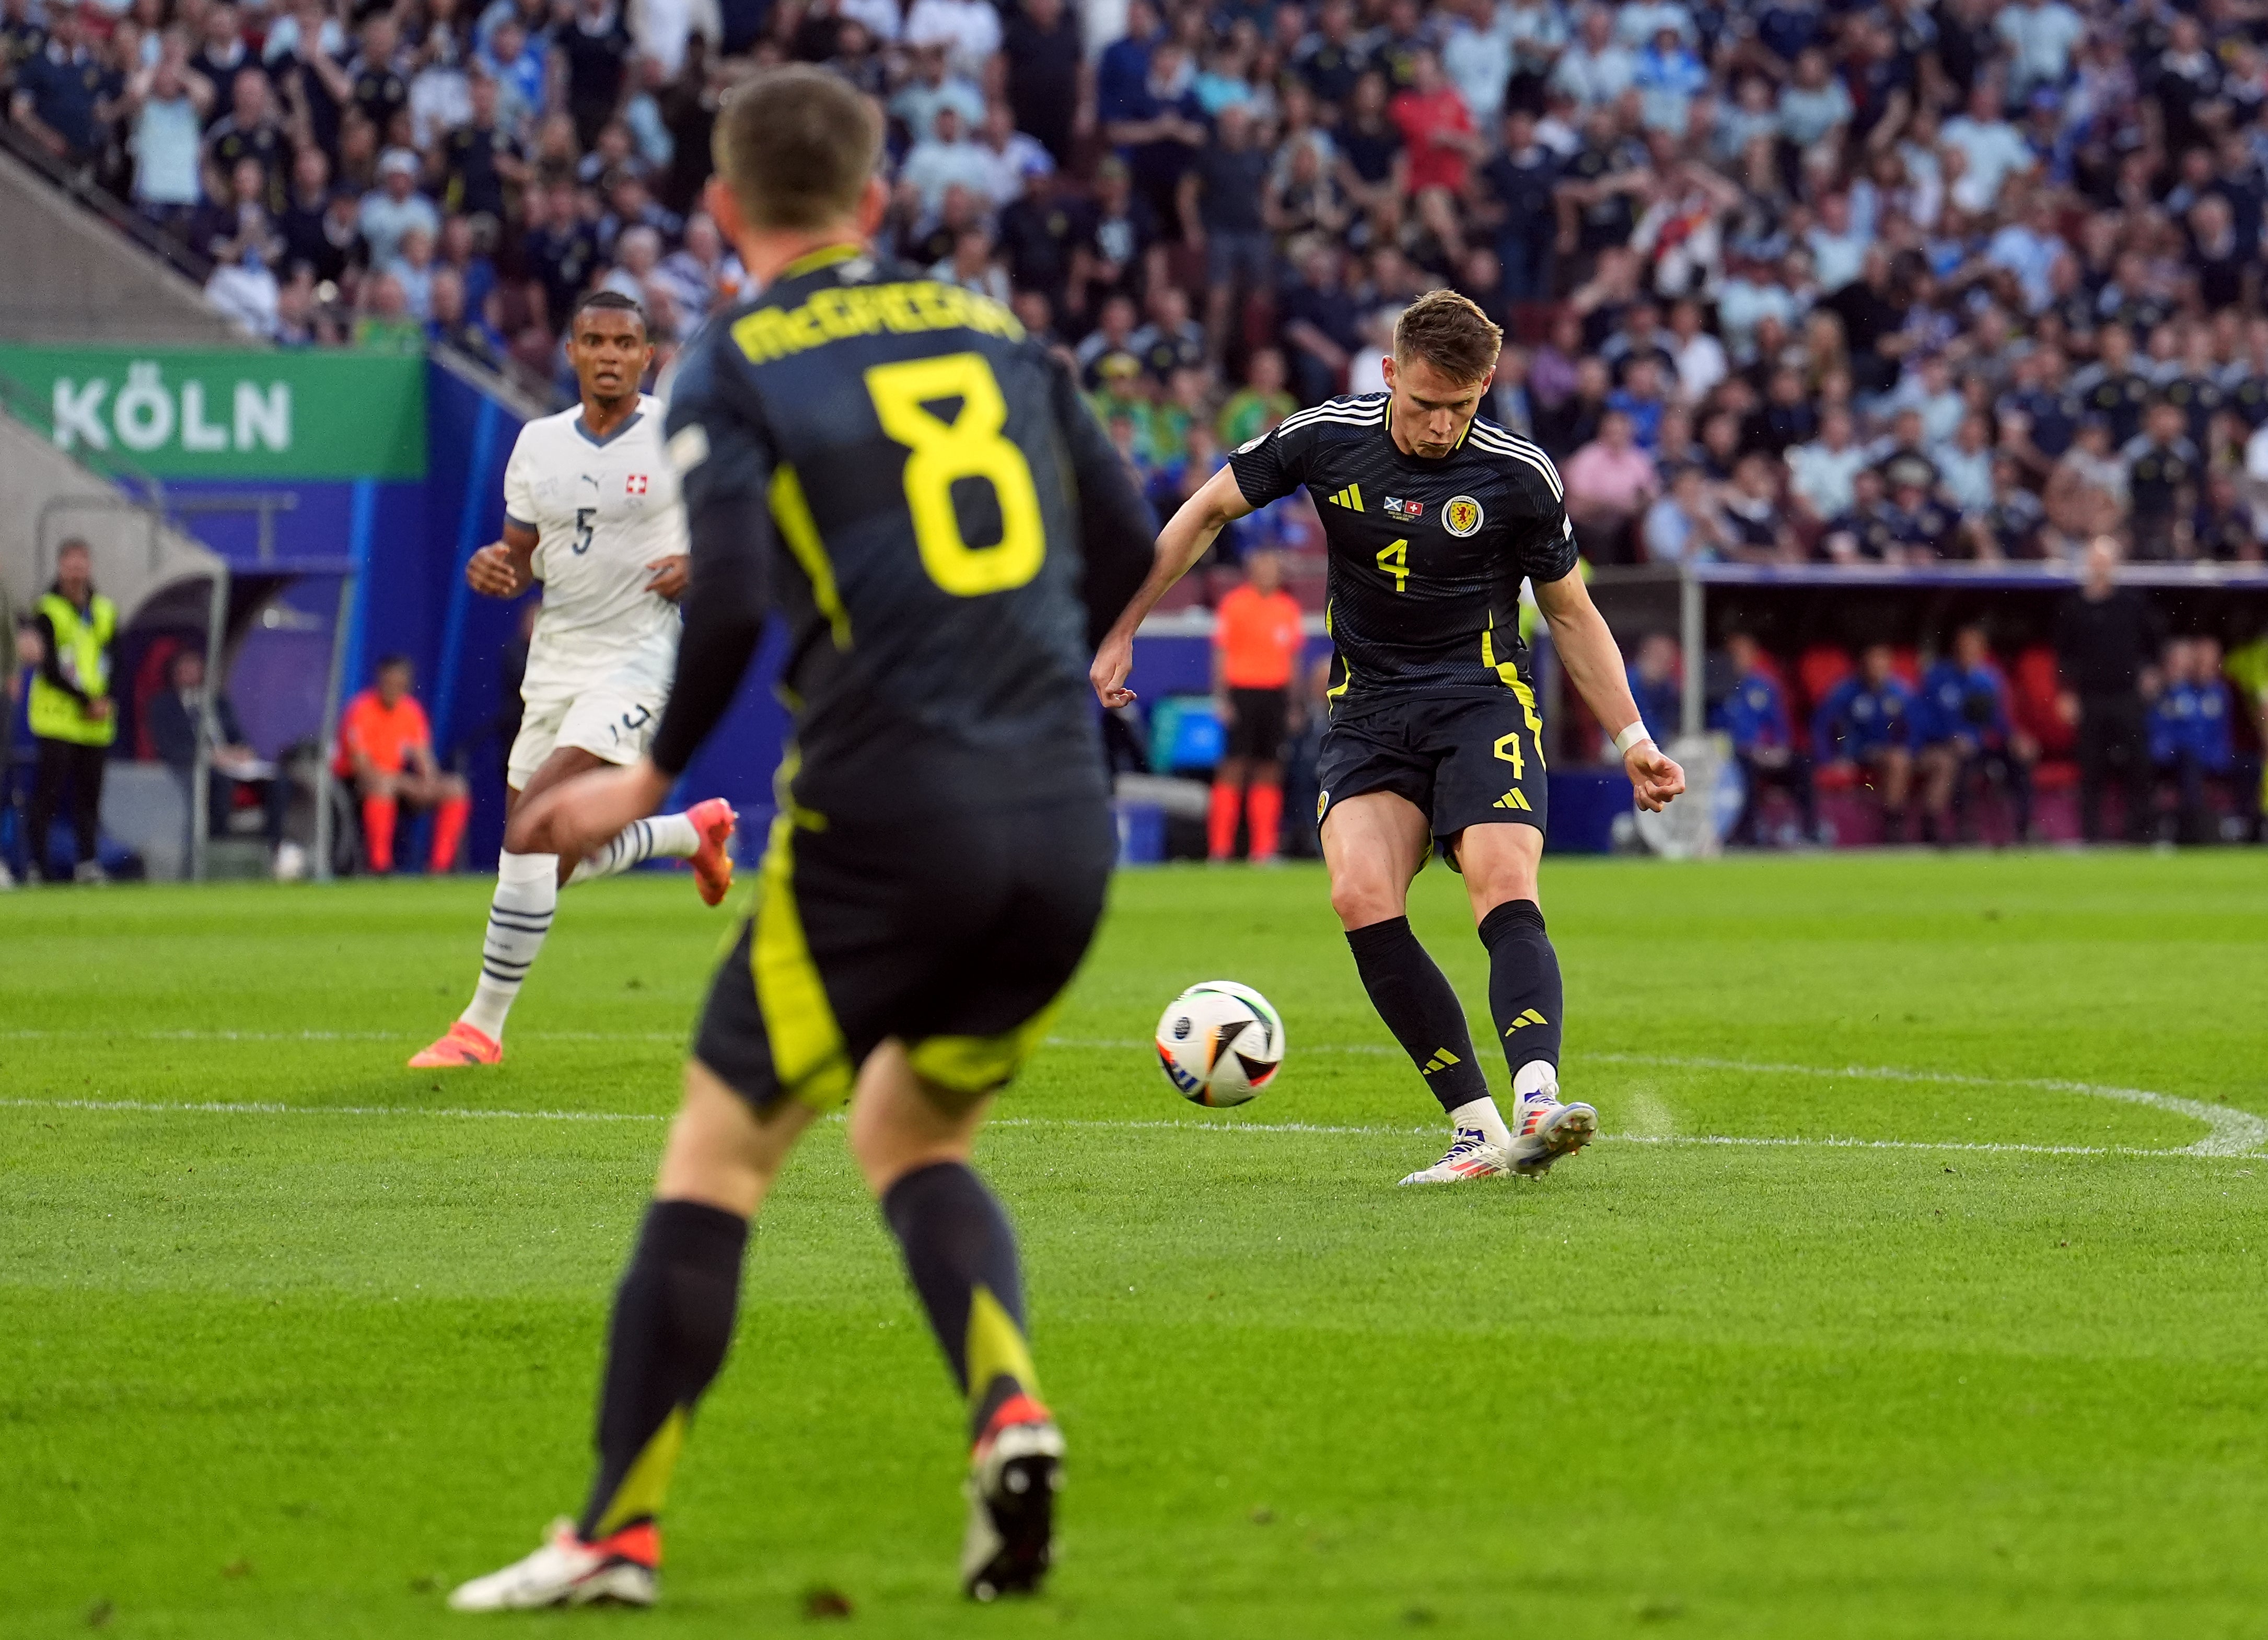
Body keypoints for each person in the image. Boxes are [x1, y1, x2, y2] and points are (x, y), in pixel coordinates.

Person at [446, 66, 1153, 1612]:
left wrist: (643, 784)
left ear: (721, 211)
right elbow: (1120, 545)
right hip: (1061, 816)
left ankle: (612, 1534)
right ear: (879, 204)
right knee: (913, 1132)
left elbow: (746, 602)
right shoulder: (1001, 334)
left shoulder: (738, 361)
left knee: (718, 1155)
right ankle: (1010, 1406)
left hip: (885, 817)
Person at [1092, 289, 1685, 1187]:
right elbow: (1208, 509)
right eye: (1422, 404)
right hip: (1369, 707)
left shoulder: (1519, 474)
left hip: (1482, 698)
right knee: (1359, 894)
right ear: (1387, 375)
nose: (1441, 425)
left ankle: (1536, 1095)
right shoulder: (1325, 435)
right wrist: (1123, 624)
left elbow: (1571, 613)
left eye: (1461, 405)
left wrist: (1632, 735)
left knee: (1500, 878)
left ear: (1486, 386)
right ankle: (1477, 1131)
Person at [407, 290, 736, 1071]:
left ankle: (479, 1029)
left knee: (531, 832)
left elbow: (742, 520)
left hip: (639, 657)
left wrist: (702, 563)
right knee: (553, 854)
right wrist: (496, 566)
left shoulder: (677, 434)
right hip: (558, 660)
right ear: (573, 351)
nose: (611, 355)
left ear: (648, 354)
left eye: (626, 342)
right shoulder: (537, 444)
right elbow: (520, 555)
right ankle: (689, 833)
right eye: (595, 341)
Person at [146, 647, 296, 873]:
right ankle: (218, 851)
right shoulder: (163, 705)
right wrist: (210, 757)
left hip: (233, 765)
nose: (189, 673)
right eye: (184, 668)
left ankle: (272, 848)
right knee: (220, 783)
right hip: (194, 769)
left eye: (194, 666)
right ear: (174, 673)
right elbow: (169, 748)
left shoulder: (218, 701)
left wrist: (242, 751)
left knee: (279, 781)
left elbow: (237, 736)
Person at [2054, 536, 2162, 842]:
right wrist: (2066, 693)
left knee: (2138, 764)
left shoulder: (2132, 603)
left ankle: (2141, 833)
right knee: (2091, 767)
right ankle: (2092, 835)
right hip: (2090, 697)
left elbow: (2154, 641)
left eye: (2106, 563)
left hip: (2126, 695)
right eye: (2096, 562)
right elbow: (2064, 655)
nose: (2101, 569)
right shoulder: (2073, 607)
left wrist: (2151, 672)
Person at [26, 540, 118, 884]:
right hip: (58, 718)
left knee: (89, 797)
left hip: (96, 722)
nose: (77, 569)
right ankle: (37, 864)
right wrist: (85, 700)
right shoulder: (47, 609)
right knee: (47, 794)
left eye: (82, 562)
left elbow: (116, 659)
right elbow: (48, 666)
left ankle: (88, 864)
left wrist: (105, 697)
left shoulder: (105, 610)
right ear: (60, 566)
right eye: (71, 562)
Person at [332, 656, 471, 874]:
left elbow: (422, 755)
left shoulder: (411, 711)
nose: (395, 689)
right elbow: (363, 769)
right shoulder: (361, 710)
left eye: (401, 684)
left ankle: (440, 868)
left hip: (399, 784)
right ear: (380, 680)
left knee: (455, 787)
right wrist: (404, 783)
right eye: (391, 682)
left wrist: (428, 781)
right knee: (383, 785)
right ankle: (380, 866)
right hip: (357, 785)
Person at [1209, 546, 1305, 863]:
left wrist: (1293, 706)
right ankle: (1220, 850)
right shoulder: (1235, 605)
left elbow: (1293, 660)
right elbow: (1221, 654)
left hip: (1275, 695)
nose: (1270, 574)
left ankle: (1263, 851)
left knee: (1270, 769)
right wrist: (1222, 699)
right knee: (1234, 767)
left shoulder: (1287, 608)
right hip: (1242, 691)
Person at [1913, 623, 2035, 844]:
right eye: (1963, 647)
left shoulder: (1989, 680)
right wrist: (1950, 738)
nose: (1968, 653)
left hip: (1982, 746)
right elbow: (1924, 719)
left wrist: (2016, 737)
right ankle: (1964, 827)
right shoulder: (1937, 678)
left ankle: (2025, 826)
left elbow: (1999, 721)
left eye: (1973, 648)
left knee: (2020, 758)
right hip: (1949, 746)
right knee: (1961, 761)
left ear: (1982, 652)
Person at [1714, 631, 1814, 846]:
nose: (1738, 660)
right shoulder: (1719, 688)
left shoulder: (1765, 686)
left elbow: (1779, 725)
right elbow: (1717, 730)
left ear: (1753, 656)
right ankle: (1747, 835)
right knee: (1743, 768)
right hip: (1737, 757)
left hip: (1766, 755)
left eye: (1743, 654)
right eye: (1733, 655)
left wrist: (1777, 749)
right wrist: (1745, 748)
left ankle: (1811, 832)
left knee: (1802, 765)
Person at [1812, 643, 1915, 843]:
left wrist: (1911, 749)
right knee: (1897, 761)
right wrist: (1829, 759)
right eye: (1872, 663)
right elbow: (1822, 725)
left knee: (1904, 759)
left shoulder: (1901, 692)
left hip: (1894, 753)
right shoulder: (1845, 692)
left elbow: (1914, 728)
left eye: (1881, 663)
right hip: (1859, 753)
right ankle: (1893, 825)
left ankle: (1905, 821)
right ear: (1863, 665)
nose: (1876, 668)